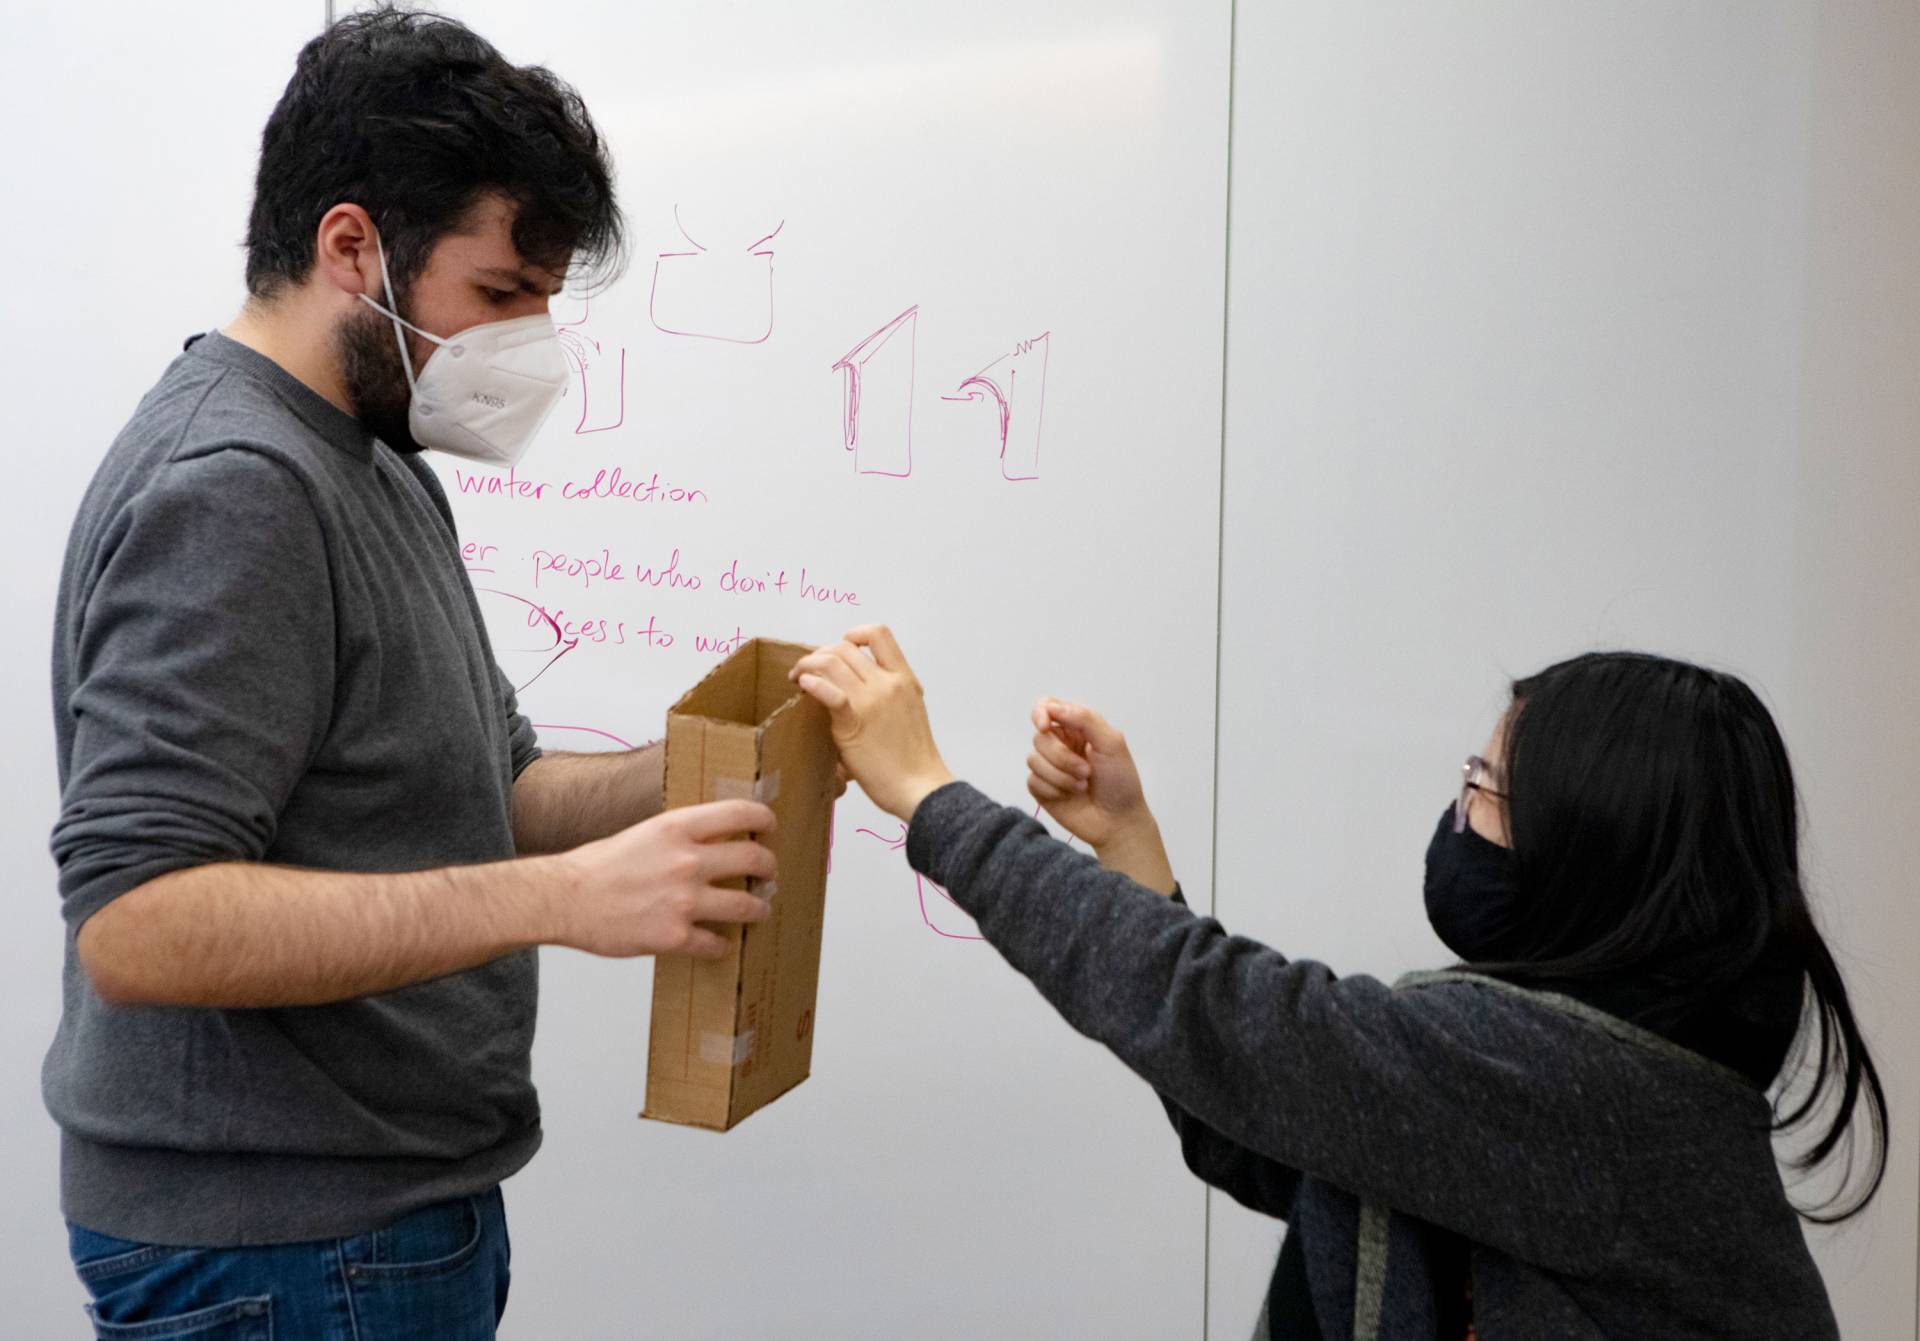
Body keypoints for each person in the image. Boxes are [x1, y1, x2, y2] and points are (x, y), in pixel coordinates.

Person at [47, 11, 778, 1338]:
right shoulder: (239, 491)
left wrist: (717, 761)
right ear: (351, 247)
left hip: (376, 1228)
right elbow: (139, 922)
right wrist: (561, 900)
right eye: (500, 296)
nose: (530, 348)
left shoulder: (377, 466)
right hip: (282, 1254)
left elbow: (488, 791)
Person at [791, 628, 1886, 1339]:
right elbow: (1269, 1124)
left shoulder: (1581, 1091)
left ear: (1590, 858)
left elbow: (1232, 1022)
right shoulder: (1582, 1082)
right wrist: (1126, 839)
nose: (1459, 816)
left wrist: (931, 796)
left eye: (1483, 788)